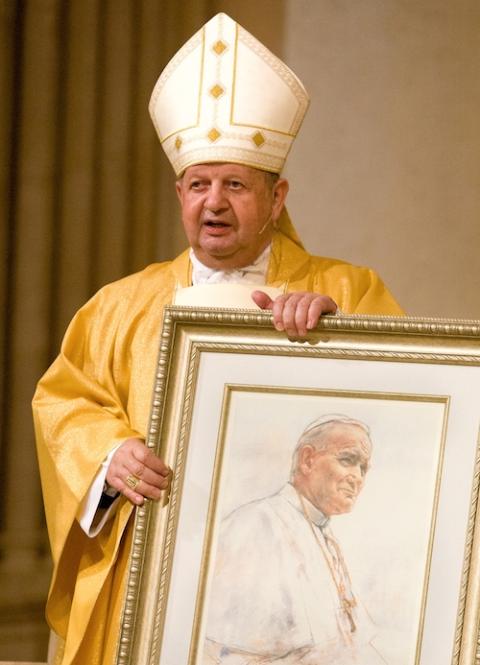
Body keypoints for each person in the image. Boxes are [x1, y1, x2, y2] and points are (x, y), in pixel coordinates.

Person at [33, 13, 403, 665]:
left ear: (277, 195)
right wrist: (108, 457)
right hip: (153, 587)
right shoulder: (118, 307)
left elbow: (404, 418)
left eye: (235, 184)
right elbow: (64, 405)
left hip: (292, 597)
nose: (214, 203)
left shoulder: (345, 289)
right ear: (179, 193)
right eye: (199, 184)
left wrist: (340, 336)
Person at [203, 415, 386, 665]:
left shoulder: (325, 537)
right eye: (347, 460)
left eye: (363, 468)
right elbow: (220, 653)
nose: (357, 477)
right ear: (308, 460)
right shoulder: (255, 525)